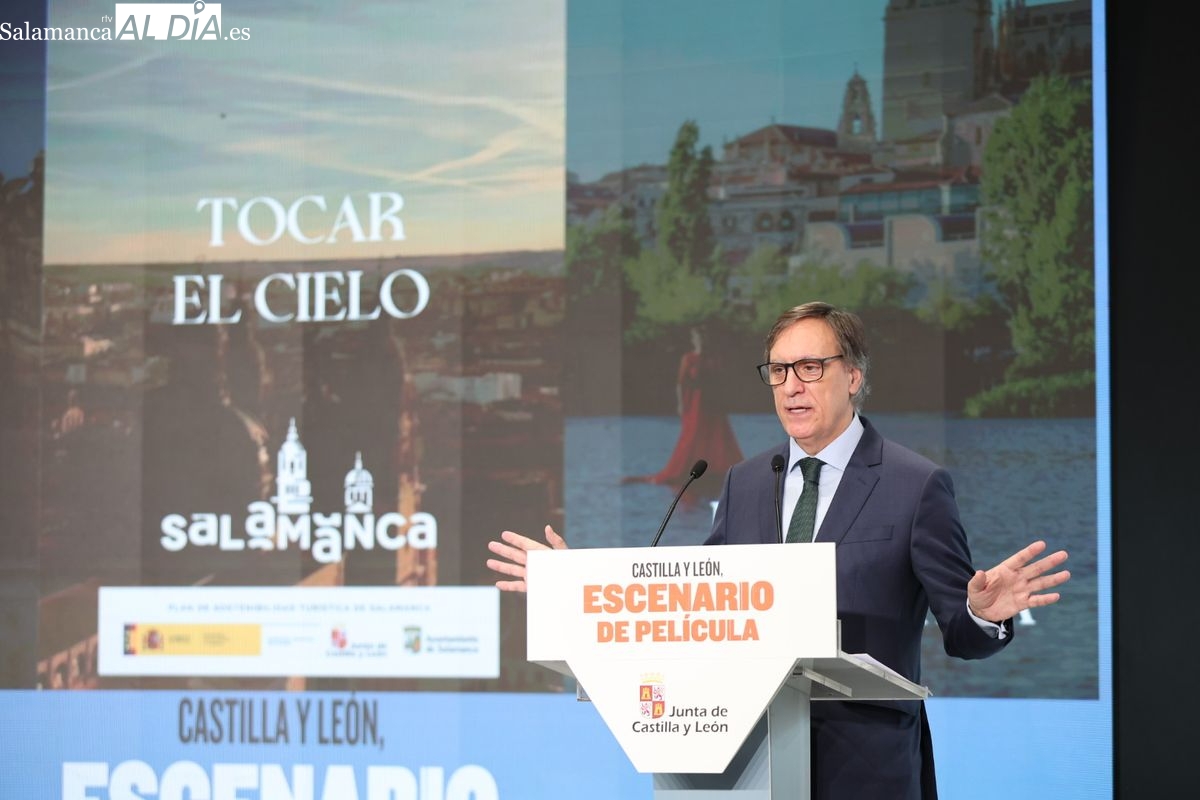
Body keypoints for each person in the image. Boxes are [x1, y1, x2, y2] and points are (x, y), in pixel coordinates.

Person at [486, 301, 1070, 800]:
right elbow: (693, 603)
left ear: (855, 377)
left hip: (865, 770)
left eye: (811, 367)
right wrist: (576, 592)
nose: (792, 384)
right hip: (745, 764)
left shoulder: (915, 485)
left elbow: (960, 636)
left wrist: (982, 615)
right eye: (779, 370)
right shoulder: (743, 482)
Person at [625, 325, 743, 485]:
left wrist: (723, 401)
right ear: (693, 340)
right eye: (698, 337)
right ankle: (686, 469)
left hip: (713, 404)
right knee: (692, 435)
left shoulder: (714, 358)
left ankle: (716, 469)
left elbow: (720, 382)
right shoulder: (689, 358)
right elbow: (681, 384)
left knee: (717, 435)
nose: (701, 340)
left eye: (704, 337)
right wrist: (681, 404)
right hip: (695, 403)